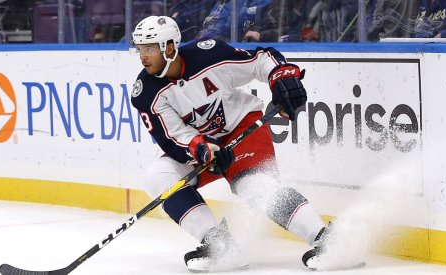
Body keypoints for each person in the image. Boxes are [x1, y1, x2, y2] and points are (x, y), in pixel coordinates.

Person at [131, 15, 331, 272]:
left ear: (169, 47)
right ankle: (219, 245)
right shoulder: (146, 91)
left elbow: (261, 60)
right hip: (202, 147)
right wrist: (203, 150)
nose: (142, 57)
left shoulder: (209, 56)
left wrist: (281, 78)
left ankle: (324, 237)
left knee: (254, 187)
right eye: (140, 50)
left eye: (149, 49)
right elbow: (172, 137)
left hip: (242, 127)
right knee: (157, 175)